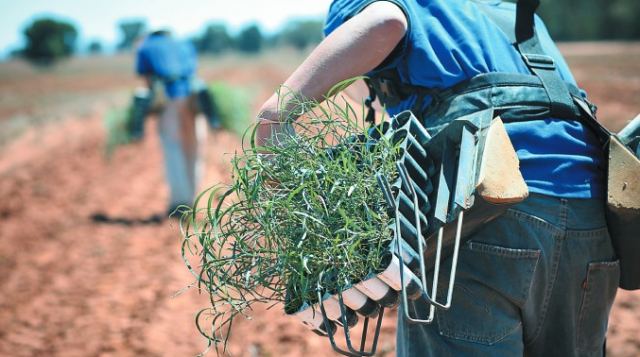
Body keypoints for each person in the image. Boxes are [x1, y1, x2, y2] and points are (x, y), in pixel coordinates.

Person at [256, 0, 619, 356]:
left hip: (485, 213)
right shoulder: (510, 12)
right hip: (591, 218)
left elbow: (385, 21)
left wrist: (275, 123)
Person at [136, 30, 203, 216]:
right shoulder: (184, 41)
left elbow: (148, 80)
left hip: (169, 98)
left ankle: (180, 205)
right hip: (193, 97)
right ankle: (193, 199)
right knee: (193, 148)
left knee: (173, 149)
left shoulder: (145, 46)